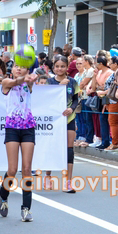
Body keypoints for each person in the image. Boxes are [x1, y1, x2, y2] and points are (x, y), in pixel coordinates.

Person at [0, 56, 37, 222]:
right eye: (16, 66)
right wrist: (22, 78)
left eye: (22, 67)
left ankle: (26, 209)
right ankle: (3, 195)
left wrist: (31, 78)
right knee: (12, 170)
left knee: (27, 169)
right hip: (12, 128)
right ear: (11, 69)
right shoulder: (6, 82)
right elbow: (15, 82)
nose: (18, 69)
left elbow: (28, 81)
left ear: (28, 70)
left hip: (28, 127)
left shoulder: (29, 83)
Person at [47, 55, 79, 192]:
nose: (59, 69)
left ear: (67, 68)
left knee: (69, 149)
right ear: (53, 68)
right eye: (57, 66)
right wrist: (59, 87)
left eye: (62, 66)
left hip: (69, 119)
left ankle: (68, 180)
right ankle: (48, 176)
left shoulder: (72, 82)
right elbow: (46, 99)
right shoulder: (49, 82)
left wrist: (71, 108)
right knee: (51, 147)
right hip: (53, 120)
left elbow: (77, 99)